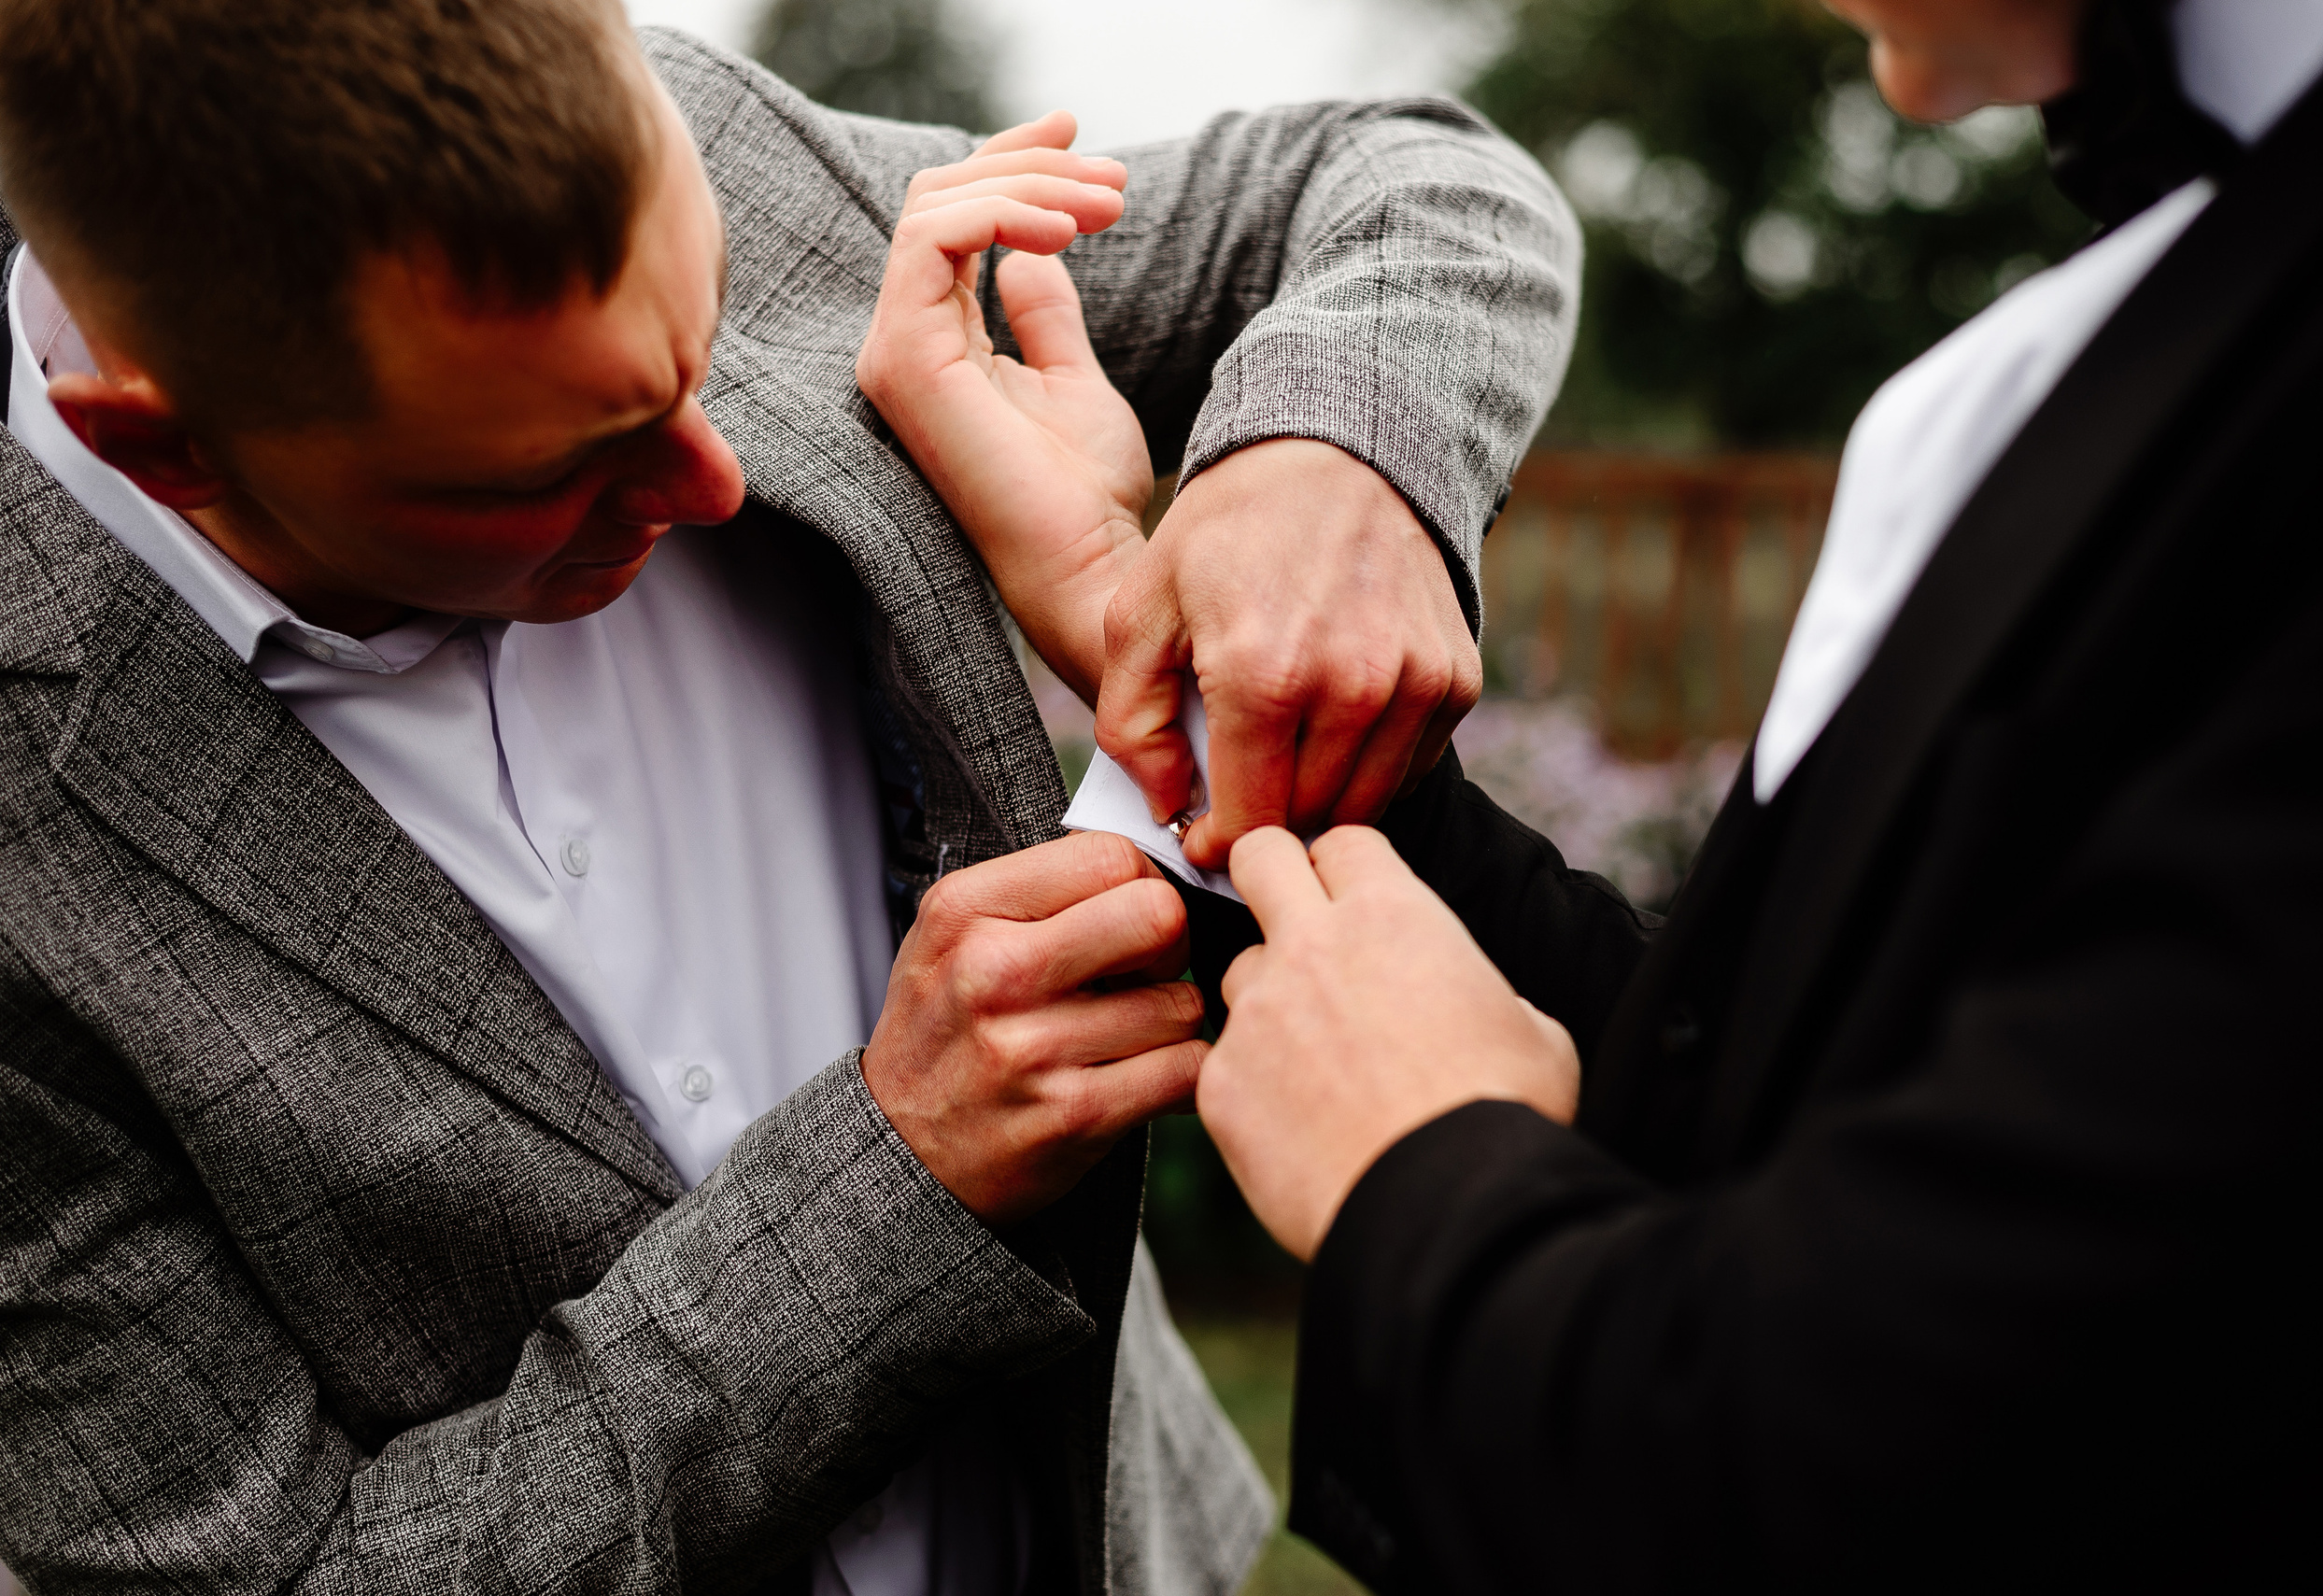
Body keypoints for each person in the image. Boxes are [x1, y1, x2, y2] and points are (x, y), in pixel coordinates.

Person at [0, 3, 1579, 1593]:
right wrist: (896, 1181)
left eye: (702, 341)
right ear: (161, 445)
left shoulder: (720, 152)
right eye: (551, 469)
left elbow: (1411, 181)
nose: (715, 477)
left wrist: (1323, 461)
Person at [881, 0, 2323, 1589]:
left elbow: (1902, 1473)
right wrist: (1169, 632)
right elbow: (1816, 1141)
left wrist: (1423, 1176)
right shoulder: (2173, 303)